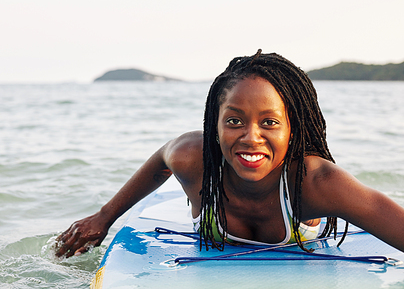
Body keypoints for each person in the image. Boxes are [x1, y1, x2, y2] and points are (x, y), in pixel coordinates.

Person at [55, 50, 404, 258]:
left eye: (269, 122)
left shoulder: (317, 183)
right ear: (215, 126)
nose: (251, 137)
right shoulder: (196, 157)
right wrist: (104, 217)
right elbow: (163, 158)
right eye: (234, 120)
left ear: (292, 129)